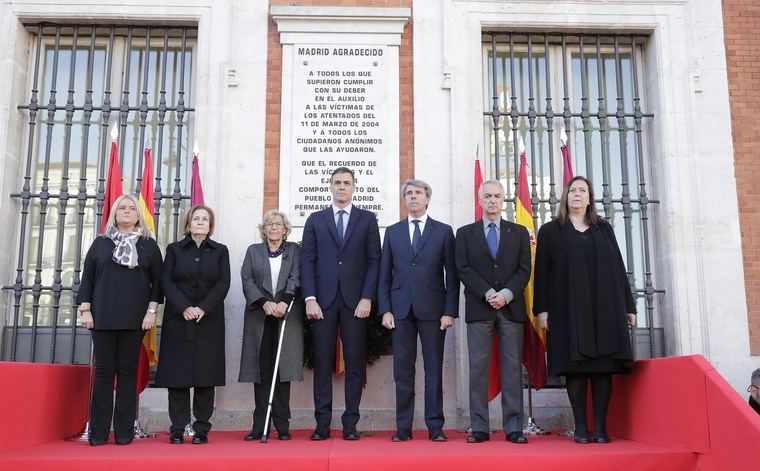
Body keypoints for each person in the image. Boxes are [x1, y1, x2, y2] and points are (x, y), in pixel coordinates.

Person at [534, 176, 636, 444]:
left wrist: (628, 305)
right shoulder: (550, 230)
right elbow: (541, 274)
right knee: (576, 369)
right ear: (565, 197)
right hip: (567, 309)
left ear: (590, 198)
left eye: (582, 191)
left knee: (602, 368)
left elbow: (618, 267)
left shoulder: (604, 229)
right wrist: (541, 310)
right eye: (572, 191)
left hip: (605, 308)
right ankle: (581, 428)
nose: (577, 194)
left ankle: (600, 428)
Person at [300, 166, 381, 441]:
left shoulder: (367, 219)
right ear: (330, 187)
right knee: (322, 361)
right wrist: (309, 298)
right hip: (321, 302)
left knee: (355, 364)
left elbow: (374, 261)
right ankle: (322, 423)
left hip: (356, 302)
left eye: (347, 182)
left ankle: (350, 423)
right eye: (337, 182)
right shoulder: (315, 219)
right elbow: (307, 261)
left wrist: (367, 297)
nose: (342, 187)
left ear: (354, 187)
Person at [77, 193, 163, 446]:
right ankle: (99, 433)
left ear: (138, 215)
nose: (126, 211)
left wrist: (151, 312)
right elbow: (88, 279)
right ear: (114, 214)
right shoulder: (101, 243)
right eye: (122, 208)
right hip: (101, 317)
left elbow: (157, 283)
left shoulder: (148, 245)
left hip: (135, 319)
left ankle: (124, 432)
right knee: (103, 374)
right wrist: (85, 310)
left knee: (127, 374)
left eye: (131, 208)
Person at [379, 179, 458, 442]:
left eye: (418, 193)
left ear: (427, 198)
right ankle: (404, 427)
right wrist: (386, 310)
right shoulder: (393, 232)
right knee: (403, 370)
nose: (413, 197)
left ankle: (435, 426)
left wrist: (450, 311)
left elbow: (452, 275)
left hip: (434, 311)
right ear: (404, 200)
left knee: (433, 369)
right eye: (409, 194)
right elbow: (384, 276)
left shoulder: (443, 231)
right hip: (400, 311)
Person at [455, 179, 531, 444]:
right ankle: (479, 427)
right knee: (478, 369)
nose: (492, 201)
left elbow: (524, 270)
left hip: (511, 309)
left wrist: (506, 295)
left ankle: (514, 428)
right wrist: (488, 293)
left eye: (497, 196)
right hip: (480, 307)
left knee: (512, 368)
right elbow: (462, 268)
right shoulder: (464, 233)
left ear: (503, 200)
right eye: (487, 196)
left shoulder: (519, 232)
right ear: (479, 199)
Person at [155, 205, 230, 445]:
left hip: (209, 320)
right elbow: (166, 280)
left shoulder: (220, 251)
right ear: (188, 224)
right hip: (179, 319)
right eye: (196, 218)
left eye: (205, 219)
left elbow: (223, 283)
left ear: (210, 225)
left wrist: (202, 308)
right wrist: (185, 307)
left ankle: (201, 429)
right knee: (178, 377)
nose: (200, 222)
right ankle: (177, 428)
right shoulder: (174, 250)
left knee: (205, 376)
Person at [239, 210, 304, 441]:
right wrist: (264, 303)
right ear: (263, 229)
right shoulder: (253, 251)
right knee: (263, 371)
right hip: (261, 316)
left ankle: (282, 425)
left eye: (278, 224)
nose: (274, 228)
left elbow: (296, 276)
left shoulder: (295, 251)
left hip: (286, 315)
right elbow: (246, 278)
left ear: (285, 229)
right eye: (269, 224)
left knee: (282, 370)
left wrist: (284, 302)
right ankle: (260, 426)